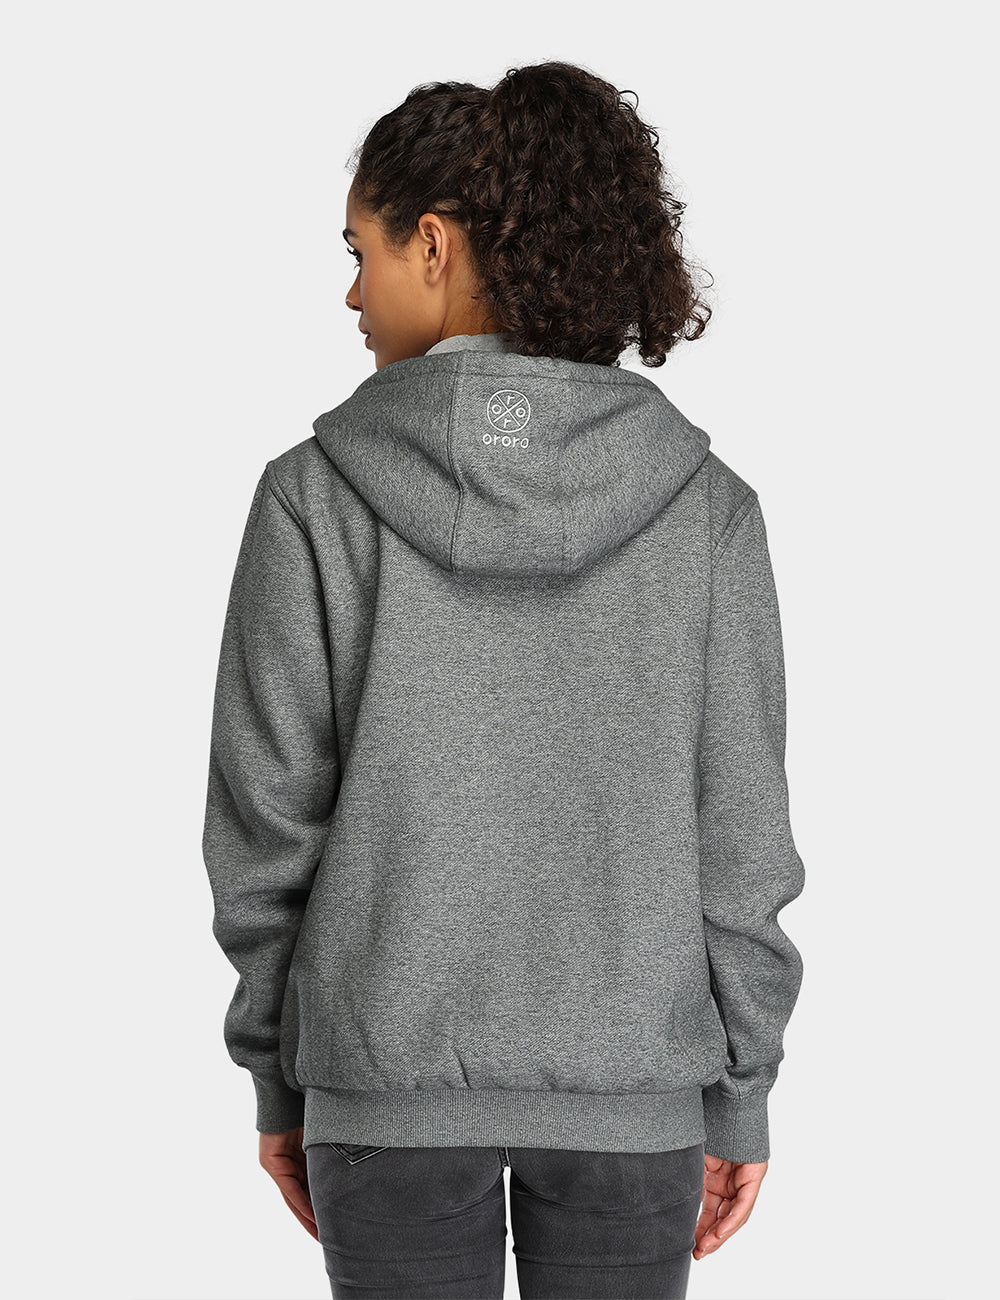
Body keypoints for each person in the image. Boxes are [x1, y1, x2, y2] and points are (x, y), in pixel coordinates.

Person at [202, 60, 806, 1300]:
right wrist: (739, 1092)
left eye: (361, 251)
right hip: (637, 1101)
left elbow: (263, 830)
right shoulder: (705, 509)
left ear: (432, 244)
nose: (352, 291)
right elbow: (741, 840)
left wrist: (280, 1075)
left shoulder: (310, 500)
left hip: (380, 1098)